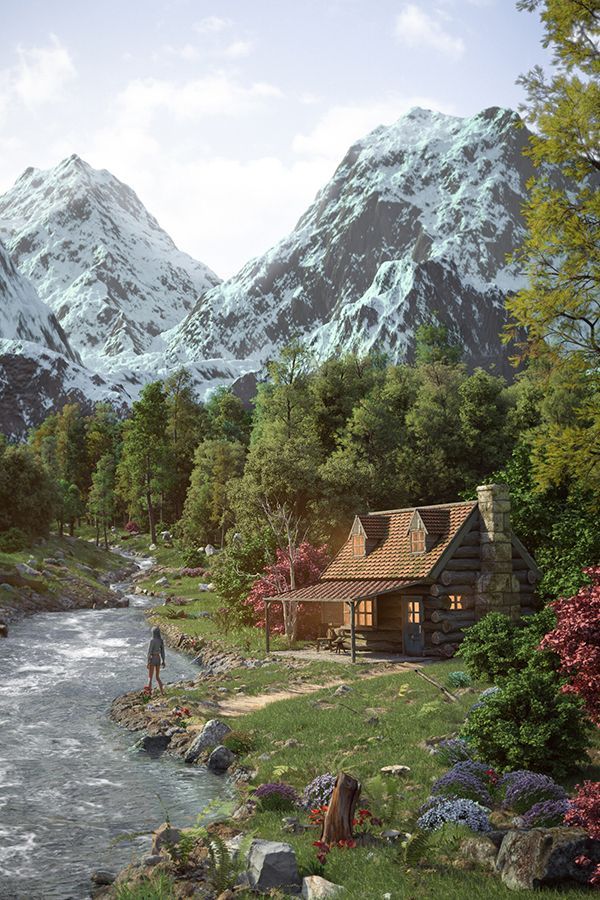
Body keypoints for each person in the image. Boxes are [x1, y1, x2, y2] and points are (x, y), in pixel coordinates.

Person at [146, 625, 166, 695]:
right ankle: (162, 692)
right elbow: (163, 652)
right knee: (157, 677)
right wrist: (163, 661)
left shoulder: (152, 640)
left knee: (150, 677)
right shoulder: (161, 640)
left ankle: (149, 693)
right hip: (158, 658)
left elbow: (149, 652)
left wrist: (148, 662)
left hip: (153, 658)